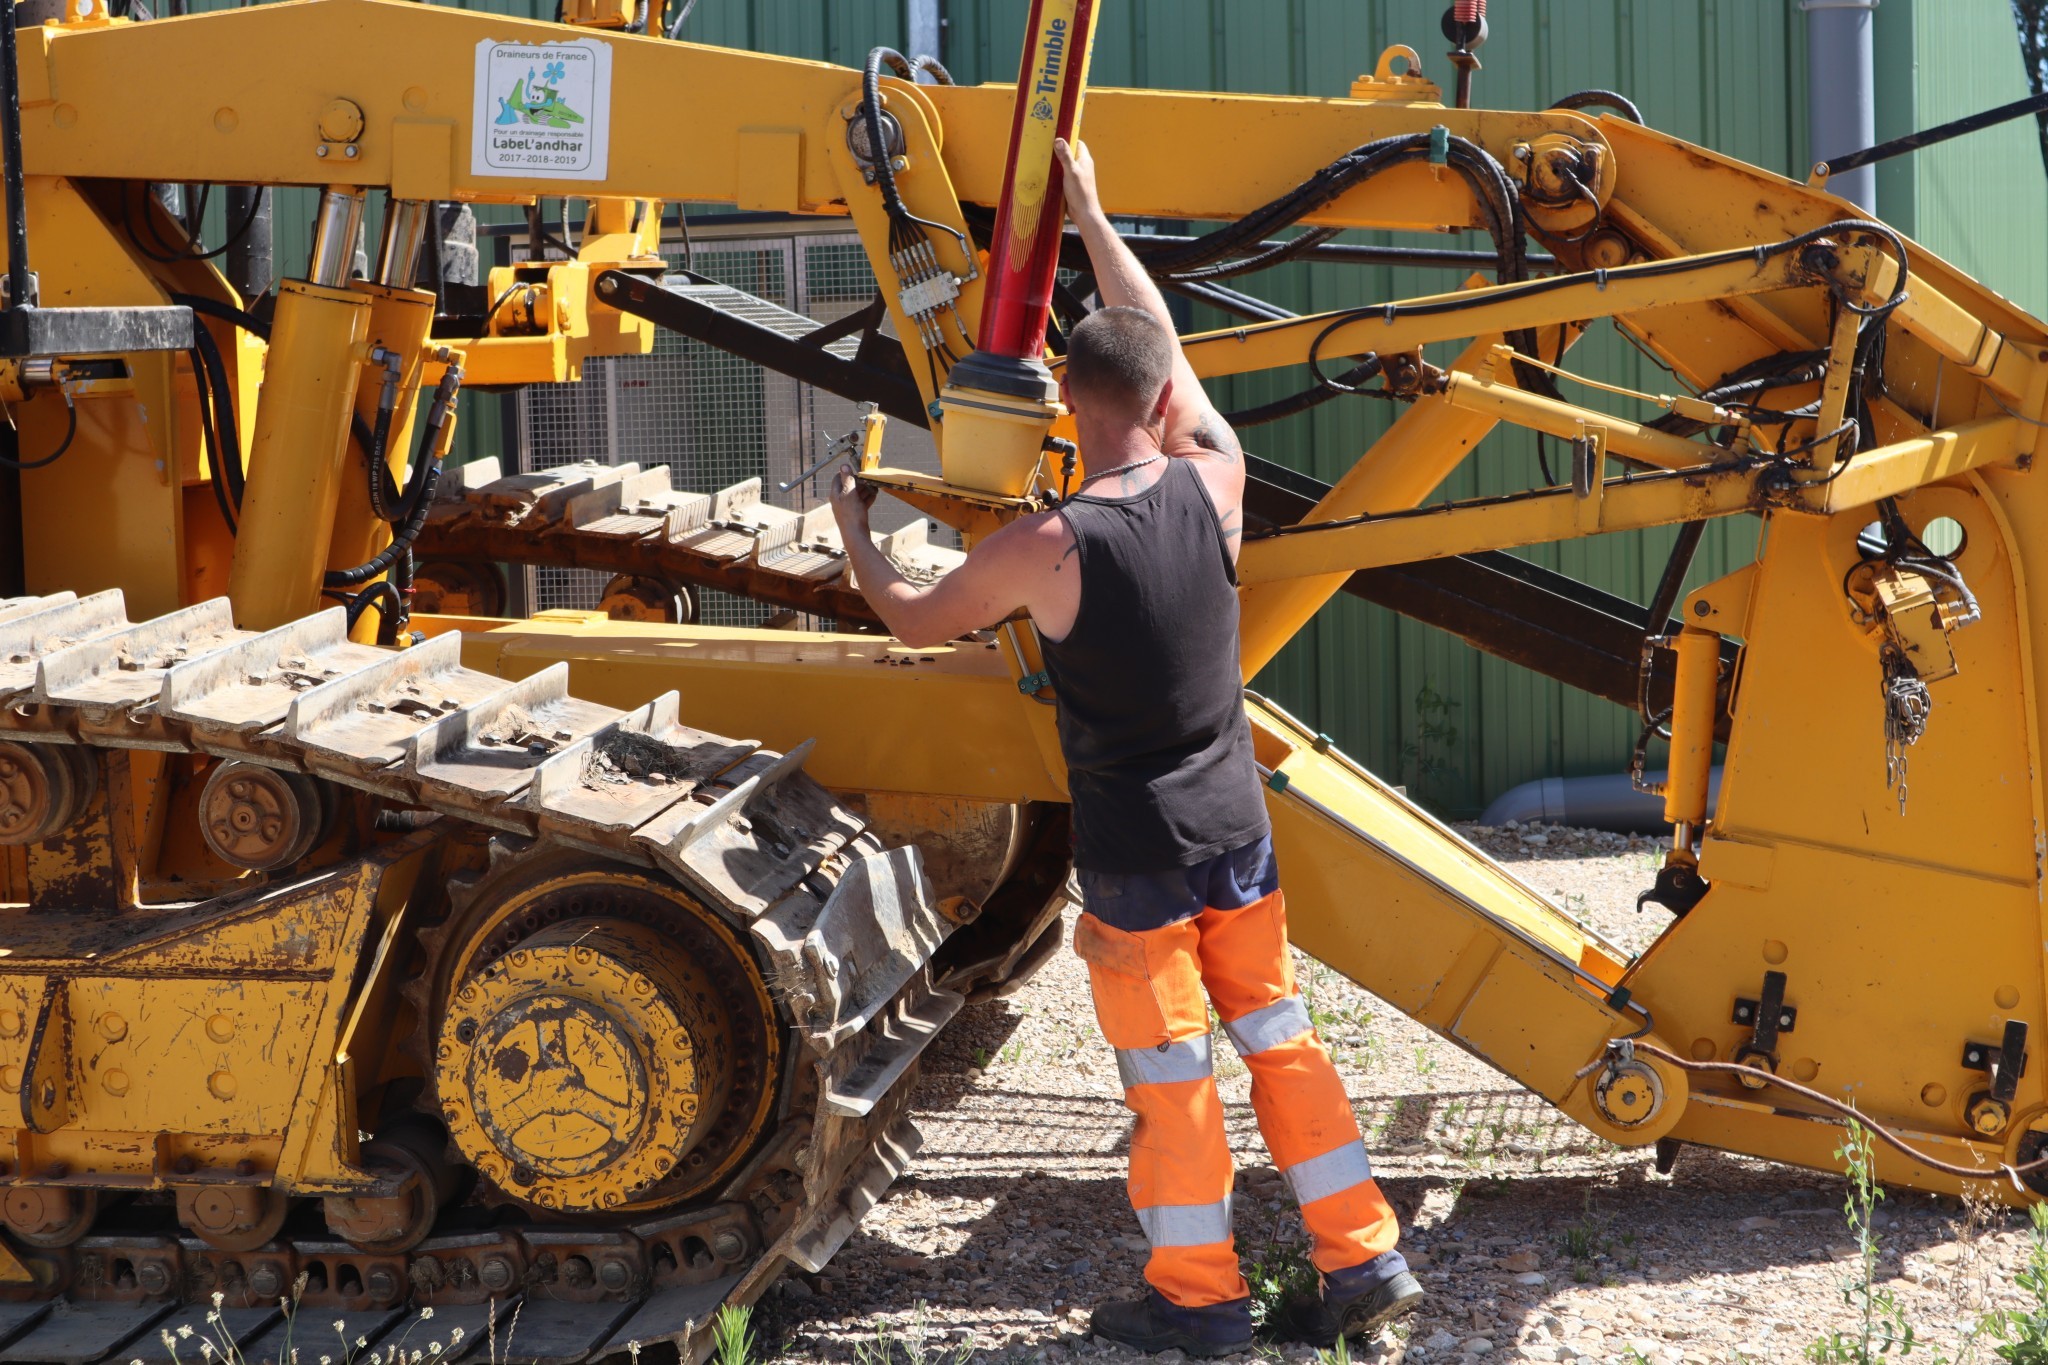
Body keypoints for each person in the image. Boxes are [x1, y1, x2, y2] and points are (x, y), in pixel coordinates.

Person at [827, 137, 1422, 1358]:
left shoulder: (1045, 548)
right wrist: (1095, 212)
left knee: (1169, 1070)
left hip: (1138, 853)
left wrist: (851, 524)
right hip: (1234, 832)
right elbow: (1155, 332)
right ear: (1161, 402)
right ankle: (1362, 1262)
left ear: (1062, 409)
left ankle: (1199, 1301)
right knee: (1277, 1035)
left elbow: (906, 617)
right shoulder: (1218, 479)